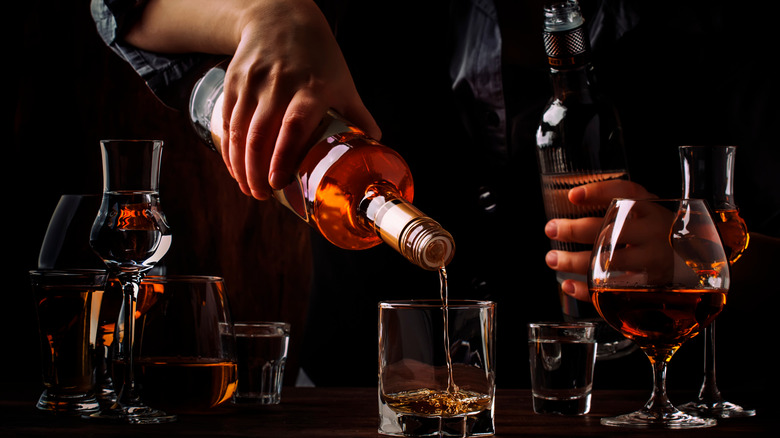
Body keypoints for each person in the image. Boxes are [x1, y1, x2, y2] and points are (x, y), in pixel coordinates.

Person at [90, 0, 778, 391]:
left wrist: (710, 265)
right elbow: (117, 7)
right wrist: (267, 11)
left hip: (650, 413)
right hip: (352, 406)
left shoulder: (719, 27)